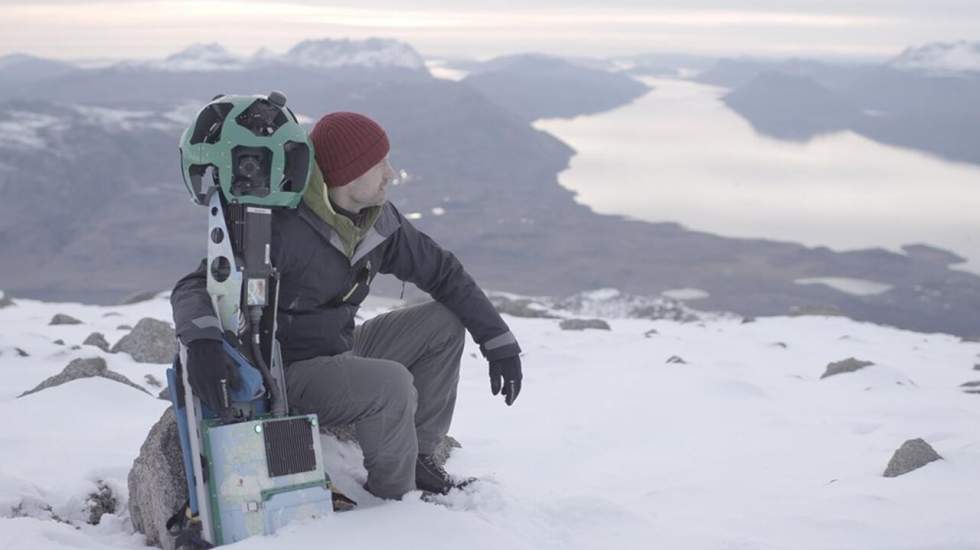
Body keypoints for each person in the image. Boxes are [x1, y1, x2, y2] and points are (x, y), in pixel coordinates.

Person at [171, 111, 523, 500]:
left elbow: (444, 272)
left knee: (444, 322)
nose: (391, 174)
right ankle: (396, 501)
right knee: (391, 385)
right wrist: (203, 343)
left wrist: (498, 341)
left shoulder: (376, 220)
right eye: (379, 165)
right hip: (286, 374)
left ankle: (418, 459)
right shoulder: (280, 225)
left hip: (340, 348)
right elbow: (195, 285)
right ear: (346, 174)